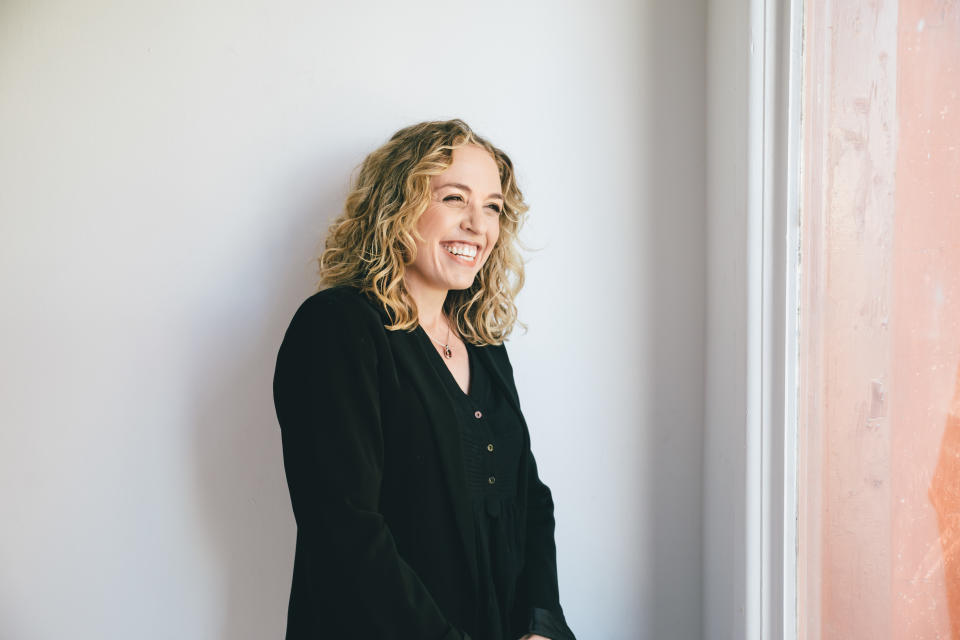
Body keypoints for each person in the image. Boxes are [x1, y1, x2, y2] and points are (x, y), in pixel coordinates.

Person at [272, 119, 576, 640]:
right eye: (455, 198)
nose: (477, 225)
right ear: (399, 205)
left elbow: (529, 498)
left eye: (493, 207)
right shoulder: (337, 328)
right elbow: (344, 529)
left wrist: (540, 624)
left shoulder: (483, 348)